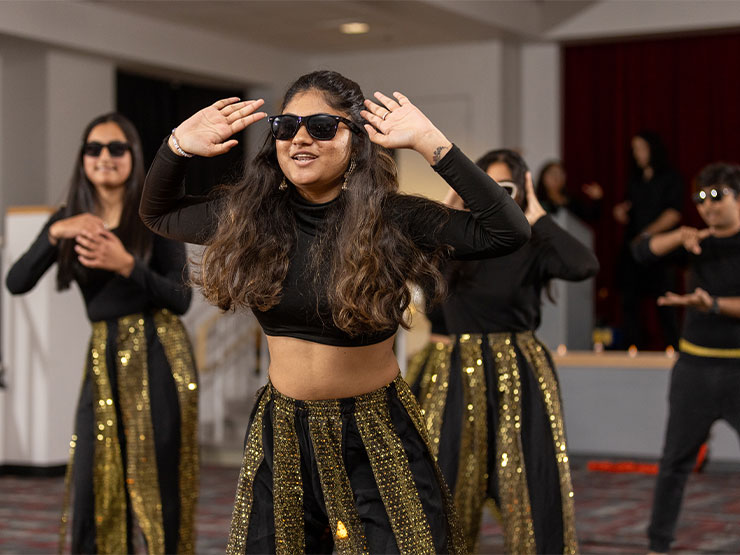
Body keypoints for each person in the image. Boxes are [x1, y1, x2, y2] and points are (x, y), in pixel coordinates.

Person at [139, 70, 531, 553]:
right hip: (282, 431)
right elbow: (158, 213)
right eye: (286, 127)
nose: (300, 138)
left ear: (357, 141)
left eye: (323, 126)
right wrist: (177, 145)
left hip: (374, 431)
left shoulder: (392, 218)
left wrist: (432, 143)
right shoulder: (254, 220)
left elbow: (507, 231)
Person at [6, 113, 198, 554]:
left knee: (157, 479)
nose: (104, 157)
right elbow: (17, 281)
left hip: (158, 350)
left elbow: (181, 299)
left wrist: (126, 264)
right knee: (95, 479)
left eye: (116, 148)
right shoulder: (70, 220)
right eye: (94, 149)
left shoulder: (154, 213)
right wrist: (57, 232)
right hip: (104, 354)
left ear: (134, 156)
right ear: (82, 158)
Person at [409, 149, 599, 553]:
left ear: (522, 190)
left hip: (520, 370)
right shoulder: (454, 243)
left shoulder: (530, 243)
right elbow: (420, 286)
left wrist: (537, 216)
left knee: (531, 478)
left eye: (505, 188)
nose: (494, 196)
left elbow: (583, 265)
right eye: (485, 187)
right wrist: (447, 211)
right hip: (455, 372)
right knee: (445, 476)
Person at [632, 163, 740, 554]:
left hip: (737, 369)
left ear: (737, 197)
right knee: (675, 461)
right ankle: (658, 543)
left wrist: (710, 304)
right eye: (700, 199)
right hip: (694, 369)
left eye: (717, 196)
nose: (708, 207)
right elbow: (641, 252)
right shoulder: (697, 243)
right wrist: (678, 234)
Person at [613, 131, 683, 349]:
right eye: (634, 149)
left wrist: (648, 233)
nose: (637, 154)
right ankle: (633, 347)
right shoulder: (635, 181)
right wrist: (622, 212)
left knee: (665, 301)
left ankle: (673, 347)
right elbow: (631, 208)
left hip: (661, 251)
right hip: (634, 250)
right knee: (630, 300)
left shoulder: (670, 178)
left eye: (640, 148)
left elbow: (673, 213)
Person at [535, 159, 602, 222]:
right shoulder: (537, 202)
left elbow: (592, 218)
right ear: (543, 177)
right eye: (552, 173)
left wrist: (597, 199)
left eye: (560, 174)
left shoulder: (572, 201)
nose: (556, 177)